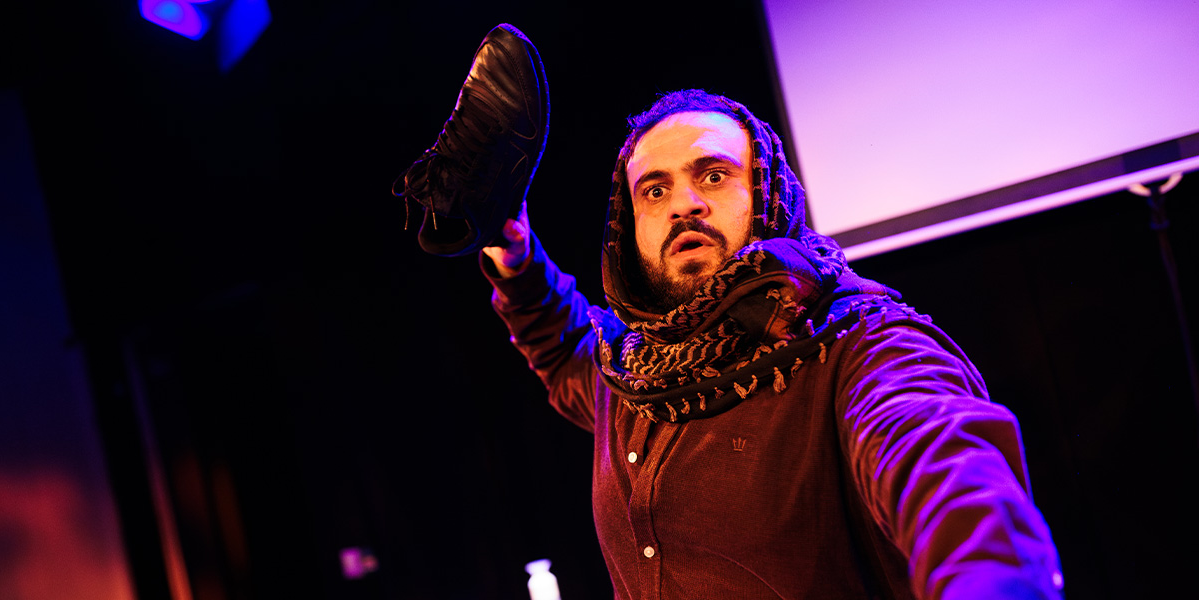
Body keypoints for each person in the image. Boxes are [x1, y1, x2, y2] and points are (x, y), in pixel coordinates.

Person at [399, 25, 1063, 600]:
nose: (683, 203)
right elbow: (563, 340)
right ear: (629, 232)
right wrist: (507, 242)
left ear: (766, 189)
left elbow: (946, 473)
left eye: (712, 174)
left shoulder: (859, 343)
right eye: (654, 191)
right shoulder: (630, 372)